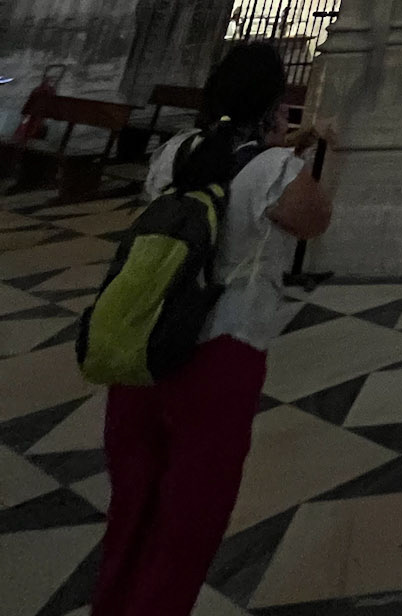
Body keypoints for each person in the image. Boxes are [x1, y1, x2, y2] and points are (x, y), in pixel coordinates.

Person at [92, 43, 334, 616]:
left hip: (147, 337)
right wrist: (288, 151)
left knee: (133, 505)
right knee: (190, 517)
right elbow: (314, 220)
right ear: (274, 106)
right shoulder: (275, 170)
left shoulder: (174, 152)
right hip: (221, 350)